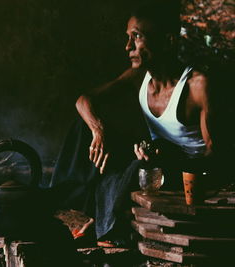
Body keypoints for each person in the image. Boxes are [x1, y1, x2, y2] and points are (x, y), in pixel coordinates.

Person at [50, 0, 228, 247]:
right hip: (153, 161)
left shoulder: (197, 86)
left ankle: (107, 231)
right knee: (85, 128)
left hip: (188, 172)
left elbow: (217, 156)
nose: (128, 47)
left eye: (137, 37)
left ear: (168, 41)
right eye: (128, 37)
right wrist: (98, 130)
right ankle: (65, 203)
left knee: (137, 166)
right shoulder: (139, 76)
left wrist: (170, 154)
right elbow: (84, 101)